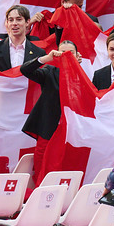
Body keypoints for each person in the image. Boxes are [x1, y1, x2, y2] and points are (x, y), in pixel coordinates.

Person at [20, 42, 82, 181]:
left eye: (70, 53)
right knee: (42, 168)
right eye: (62, 52)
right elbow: (25, 70)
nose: (66, 55)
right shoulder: (49, 72)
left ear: (78, 56)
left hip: (70, 134)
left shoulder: (82, 76)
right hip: (48, 131)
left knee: (64, 169)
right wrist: (46, 58)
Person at [0, 4, 45, 71]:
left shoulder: (38, 53)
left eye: (19, 19)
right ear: (7, 23)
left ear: (27, 22)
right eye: (11, 20)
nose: (14, 23)